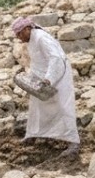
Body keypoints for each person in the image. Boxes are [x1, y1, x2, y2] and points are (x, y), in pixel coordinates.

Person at [12, 17, 80, 157]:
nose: (18, 38)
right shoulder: (32, 40)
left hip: (59, 76)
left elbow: (56, 58)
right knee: (37, 106)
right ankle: (36, 134)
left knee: (63, 106)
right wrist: (31, 79)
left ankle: (73, 142)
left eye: (19, 34)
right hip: (43, 78)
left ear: (27, 29)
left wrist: (49, 78)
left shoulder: (41, 38)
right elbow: (38, 62)